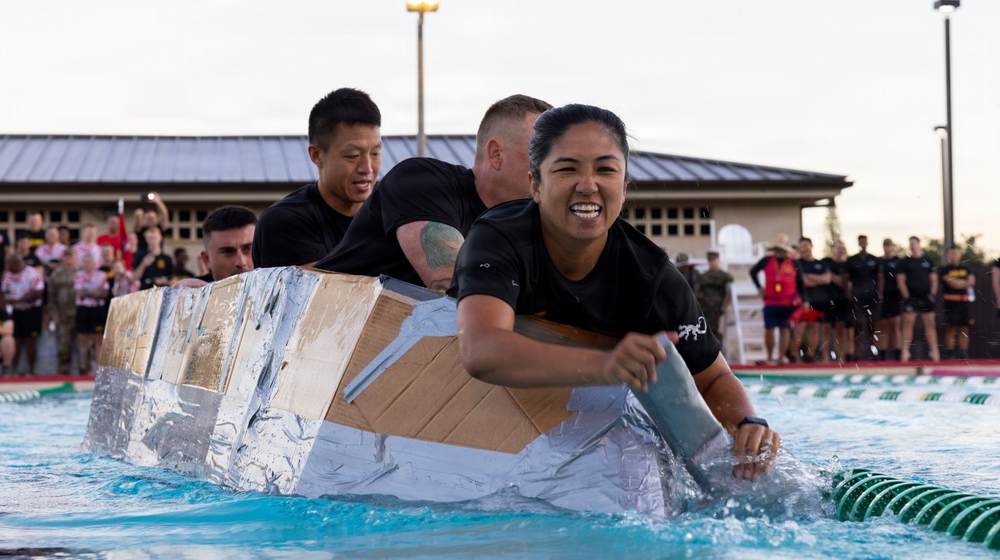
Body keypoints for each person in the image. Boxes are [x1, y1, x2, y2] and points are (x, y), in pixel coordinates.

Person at [450, 103, 780, 481]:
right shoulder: (498, 238)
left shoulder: (651, 276)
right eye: (567, 168)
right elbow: (480, 350)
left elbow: (713, 378)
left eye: (606, 170)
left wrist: (749, 424)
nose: (588, 185)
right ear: (535, 185)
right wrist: (606, 365)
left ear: (623, 188)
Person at [315, 94, 553, 292]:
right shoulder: (420, 180)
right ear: (496, 154)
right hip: (317, 325)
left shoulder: (530, 225)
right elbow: (458, 289)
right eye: (542, 155)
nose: (555, 169)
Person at [253, 88, 383, 268]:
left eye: (375, 153)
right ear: (316, 155)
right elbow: (322, 285)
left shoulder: (391, 213)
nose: (367, 168)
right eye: (352, 155)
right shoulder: (285, 222)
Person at [749, 234, 802, 365]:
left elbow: (801, 282)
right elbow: (753, 272)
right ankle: (769, 357)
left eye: (782, 250)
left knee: (785, 329)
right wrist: (759, 287)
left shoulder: (793, 263)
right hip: (770, 301)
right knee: (769, 329)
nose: (779, 252)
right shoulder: (766, 260)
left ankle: (781, 356)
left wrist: (802, 299)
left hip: (788, 301)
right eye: (777, 249)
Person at [174, 206, 257, 288]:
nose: (241, 262)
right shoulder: (192, 293)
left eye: (248, 249)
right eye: (228, 252)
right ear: (207, 260)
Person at [1, 252, 45, 375]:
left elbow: (38, 293)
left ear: (17, 263)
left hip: (31, 310)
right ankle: (13, 370)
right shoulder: (8, 275)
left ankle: (31, 371)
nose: (9, 267)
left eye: (10, 265)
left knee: (30, 340)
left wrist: (19, 300)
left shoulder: (33, 273)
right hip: (15, 311)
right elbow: (3, 292)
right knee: (16, 340)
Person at [897, 236, 940, 362]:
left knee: (929, 324)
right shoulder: (905, 262)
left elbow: (934, 280)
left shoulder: (928, 260)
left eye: (914, 243)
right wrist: (907, 297)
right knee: (908, 324)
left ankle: (934, 351)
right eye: (910, 243)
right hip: (911, 297)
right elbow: (901, 281)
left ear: (919, 244)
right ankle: (905, 351)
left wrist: (931, 295)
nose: (912, 245)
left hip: (925, 296)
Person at [791, 237, 830, 363]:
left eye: (806, 245)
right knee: (800, 328)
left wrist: (809, 277)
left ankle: (810, 354)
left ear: (811, 246)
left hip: (819, 300)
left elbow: (827, 279)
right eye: (802, 245)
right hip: (803, 300)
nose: (804, 248)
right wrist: (817, 279)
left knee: (815, 328)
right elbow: (802, 282)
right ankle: (793, 354)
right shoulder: (798, 264)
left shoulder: (820, 263)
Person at [846, 234, 881, 360]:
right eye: (860, 242)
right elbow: (846, 279)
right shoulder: (852, 260)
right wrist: (849, 294)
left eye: (864, 242)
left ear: (867, 243)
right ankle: (856, 353)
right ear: (858, 243)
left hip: (871, 296)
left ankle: (874, 351)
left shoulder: (874, 259)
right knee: (858, 325)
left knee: (873, 324)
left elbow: (880, 278)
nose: (862, 244)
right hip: (858, 296)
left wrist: (879, 293)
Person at [74, 254, 109, 375]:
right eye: (86, 262)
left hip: (97, 309)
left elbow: (104, 293)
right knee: (82, 339)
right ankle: (83, 367)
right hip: (83, 309)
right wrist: (95, 292)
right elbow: (79, 292)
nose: (88, 264)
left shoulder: (101, 275)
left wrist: (87, 292)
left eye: (90, 262)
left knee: (98, 339)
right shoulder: (79, 275)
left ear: (94, 263)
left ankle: (99, 368)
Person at [939, 244, 975, 359]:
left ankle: (963, 353)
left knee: (964, 328)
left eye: (956, 253)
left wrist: (957, 282)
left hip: (964, 303)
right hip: (951, 304)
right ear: (948, 255)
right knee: (951, 328)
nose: (954, 255)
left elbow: (971, 282)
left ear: (960, 254)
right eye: (951, 253)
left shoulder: (966, 269)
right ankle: (949, 353)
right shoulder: (945, 269)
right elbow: (950, 282)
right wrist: (963, 282)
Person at [47, 248, 79, 375]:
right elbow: (51, 297)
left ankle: (85, 373)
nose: (69, 259)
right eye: (66, 257)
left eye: (71, 256)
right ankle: (63, 374)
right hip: (63, 315)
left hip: (80, 315)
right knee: (63, 347)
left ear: (75, 257)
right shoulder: (56, 274)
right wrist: (54, 314)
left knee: (85, 346)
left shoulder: (82, 272)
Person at [823, 240, 854, 362]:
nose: (840, 250)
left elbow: (843, 283)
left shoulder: (847, 265)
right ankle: (825, 358)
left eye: (842, 248)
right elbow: (823, 279)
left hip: (842, 300)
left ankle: (841, 357)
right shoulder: (826, 262)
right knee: (826, 330)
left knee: (840, 330)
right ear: (833, 249)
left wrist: (831, 276)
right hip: (827, 300)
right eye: (838, 248)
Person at [695, 251, 733, 349]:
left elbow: (728, 293)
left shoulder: (725, 276)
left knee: (717, 330)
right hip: (705, 308)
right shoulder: (703, 276)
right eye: (710, 260)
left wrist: (723, 306)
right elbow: (698, 291)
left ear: (718, 260)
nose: (712, 263)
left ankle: (717, 350)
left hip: (718, 309)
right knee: (704, 329)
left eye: (714, 260)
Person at [877, 238, 904, 360]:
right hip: (883, 297)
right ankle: (882, 353)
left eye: (889, 245)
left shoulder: (898, 261)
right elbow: (879, 279)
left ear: (893, 247)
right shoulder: (879, 261)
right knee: (882, 326)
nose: (887, 248)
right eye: (885, 245)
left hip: (895, 296)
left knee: (895, 325)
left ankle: (897, 352)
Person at [133, 192, 169, 267]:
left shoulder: (159, 229)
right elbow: (137, 225)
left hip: (158, 258)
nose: (151, 220)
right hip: (142, 259)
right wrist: (138, 215)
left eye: (152, 218)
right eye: (148, 218)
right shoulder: (141, 230)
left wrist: (158, 202)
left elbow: (164, 215)